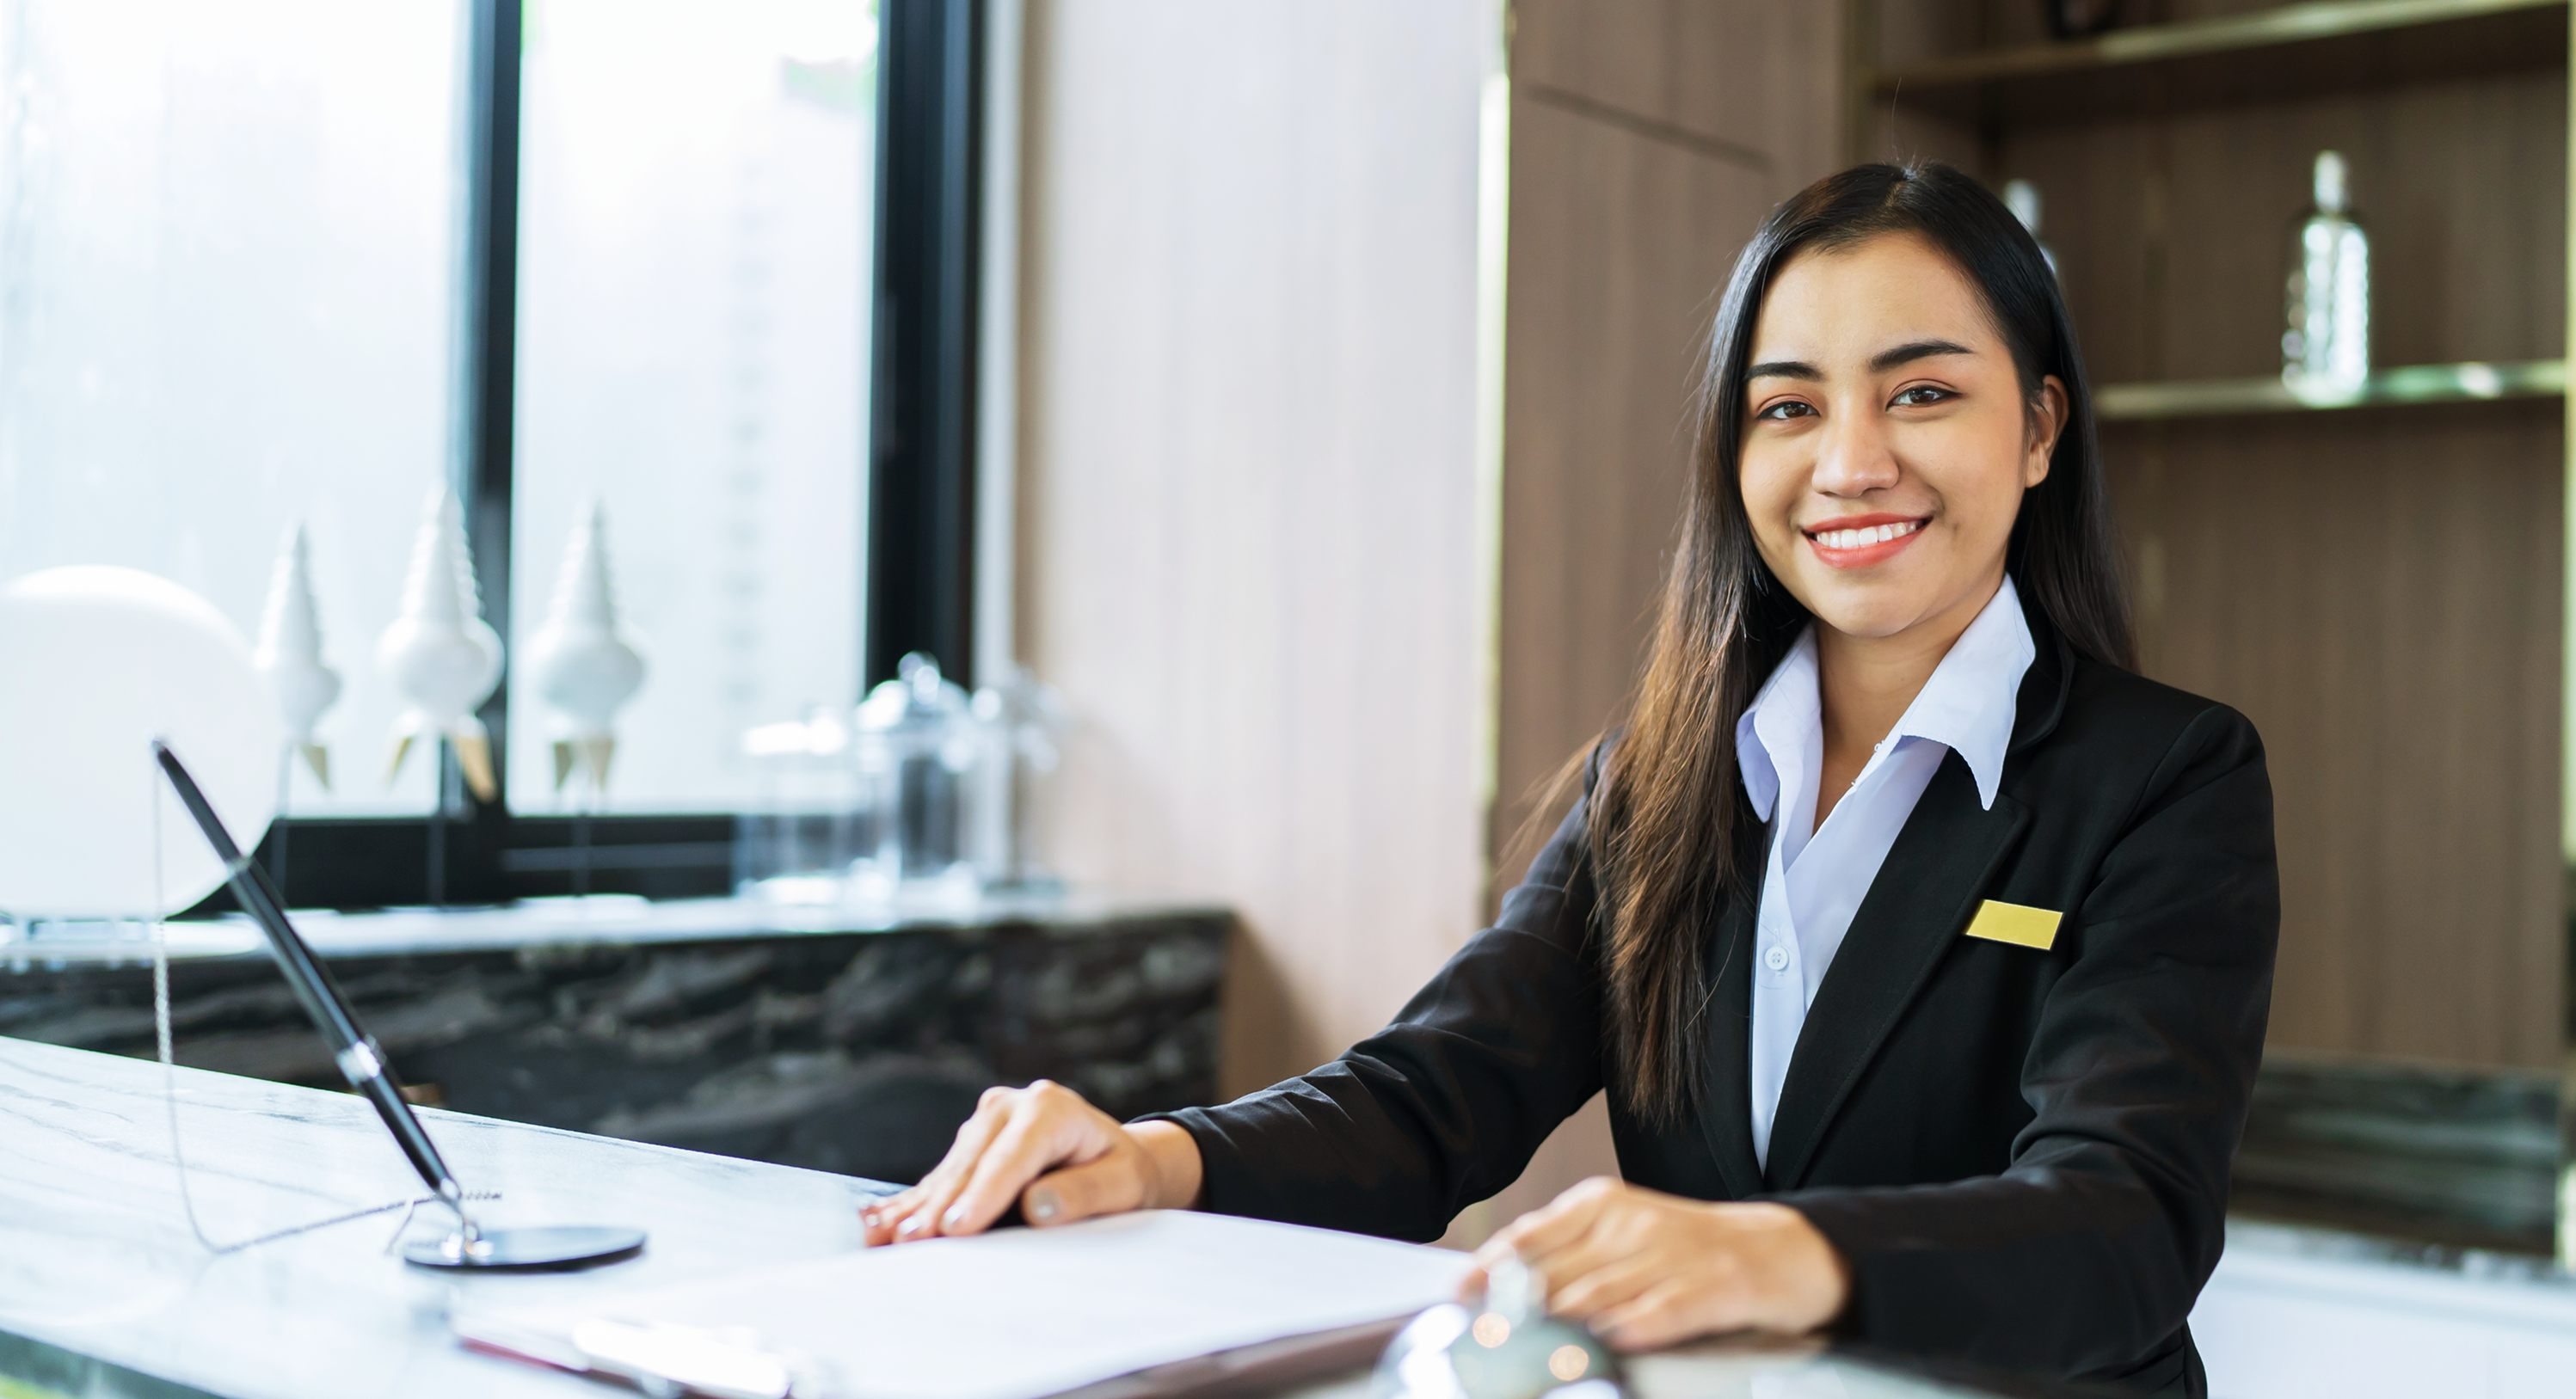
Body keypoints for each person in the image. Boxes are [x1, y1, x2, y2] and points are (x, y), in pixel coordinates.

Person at [858, 162, 2278, 1396]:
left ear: (2036, 429)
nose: (1849, 462)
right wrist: (1158, 1157)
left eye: (1920, 392)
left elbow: (2123, 1219)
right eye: (1786, 409)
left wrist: (1771, 1253)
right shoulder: (1663, 774)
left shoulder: (2163, 775)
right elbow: (1434, 1094)